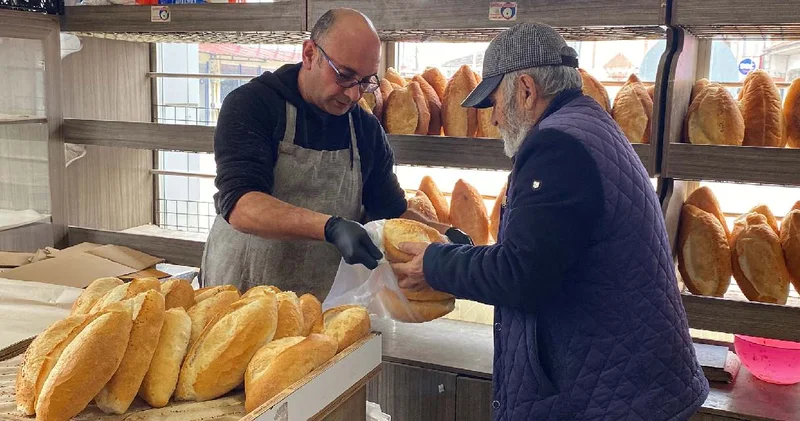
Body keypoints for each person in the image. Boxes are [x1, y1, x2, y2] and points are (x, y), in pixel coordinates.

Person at [392, 23, 709, 420]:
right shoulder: (588, 126)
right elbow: (543, 253)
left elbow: (522, 275)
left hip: (610, 397)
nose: (493, 122)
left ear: (525, 89)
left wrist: (436, 264)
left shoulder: (557, 147)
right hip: (623, 384)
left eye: (493, 104)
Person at [199, 8, 470, 299]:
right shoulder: (254, 105)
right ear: (309, 54)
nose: (354, 95)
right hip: (239, 296)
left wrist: (444, 235)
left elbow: (391, 212)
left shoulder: (365, 130)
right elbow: (241, 205)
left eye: (365, 81)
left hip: (320, 303)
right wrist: (330, 227)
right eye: (344, 75)